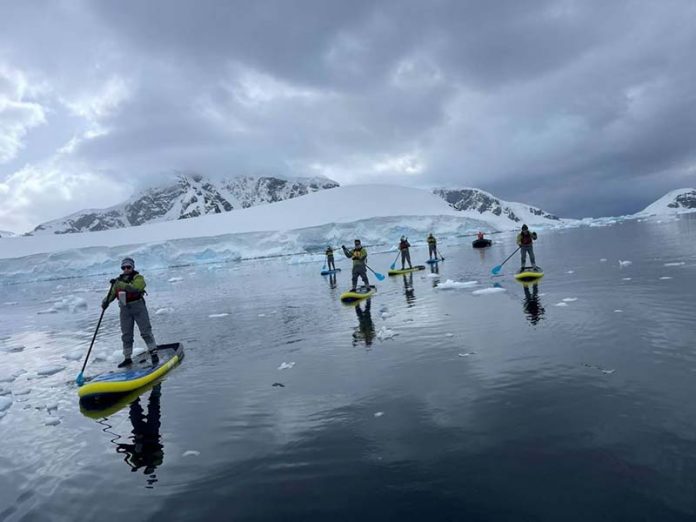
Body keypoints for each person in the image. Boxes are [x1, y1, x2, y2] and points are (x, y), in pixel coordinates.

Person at [102, 257, 159, 368]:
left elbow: (136, 288)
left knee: (145, 331)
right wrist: (105, 302)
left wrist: (121, 285)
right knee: (126, 334)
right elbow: (112, 294)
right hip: (124, 309)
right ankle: (127, 358)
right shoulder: (118, 281)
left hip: (138, 307)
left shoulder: (138, 278)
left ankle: (153, 353)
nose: (126, 269)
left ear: (132, 267)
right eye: (124, 267)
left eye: (128, 267)